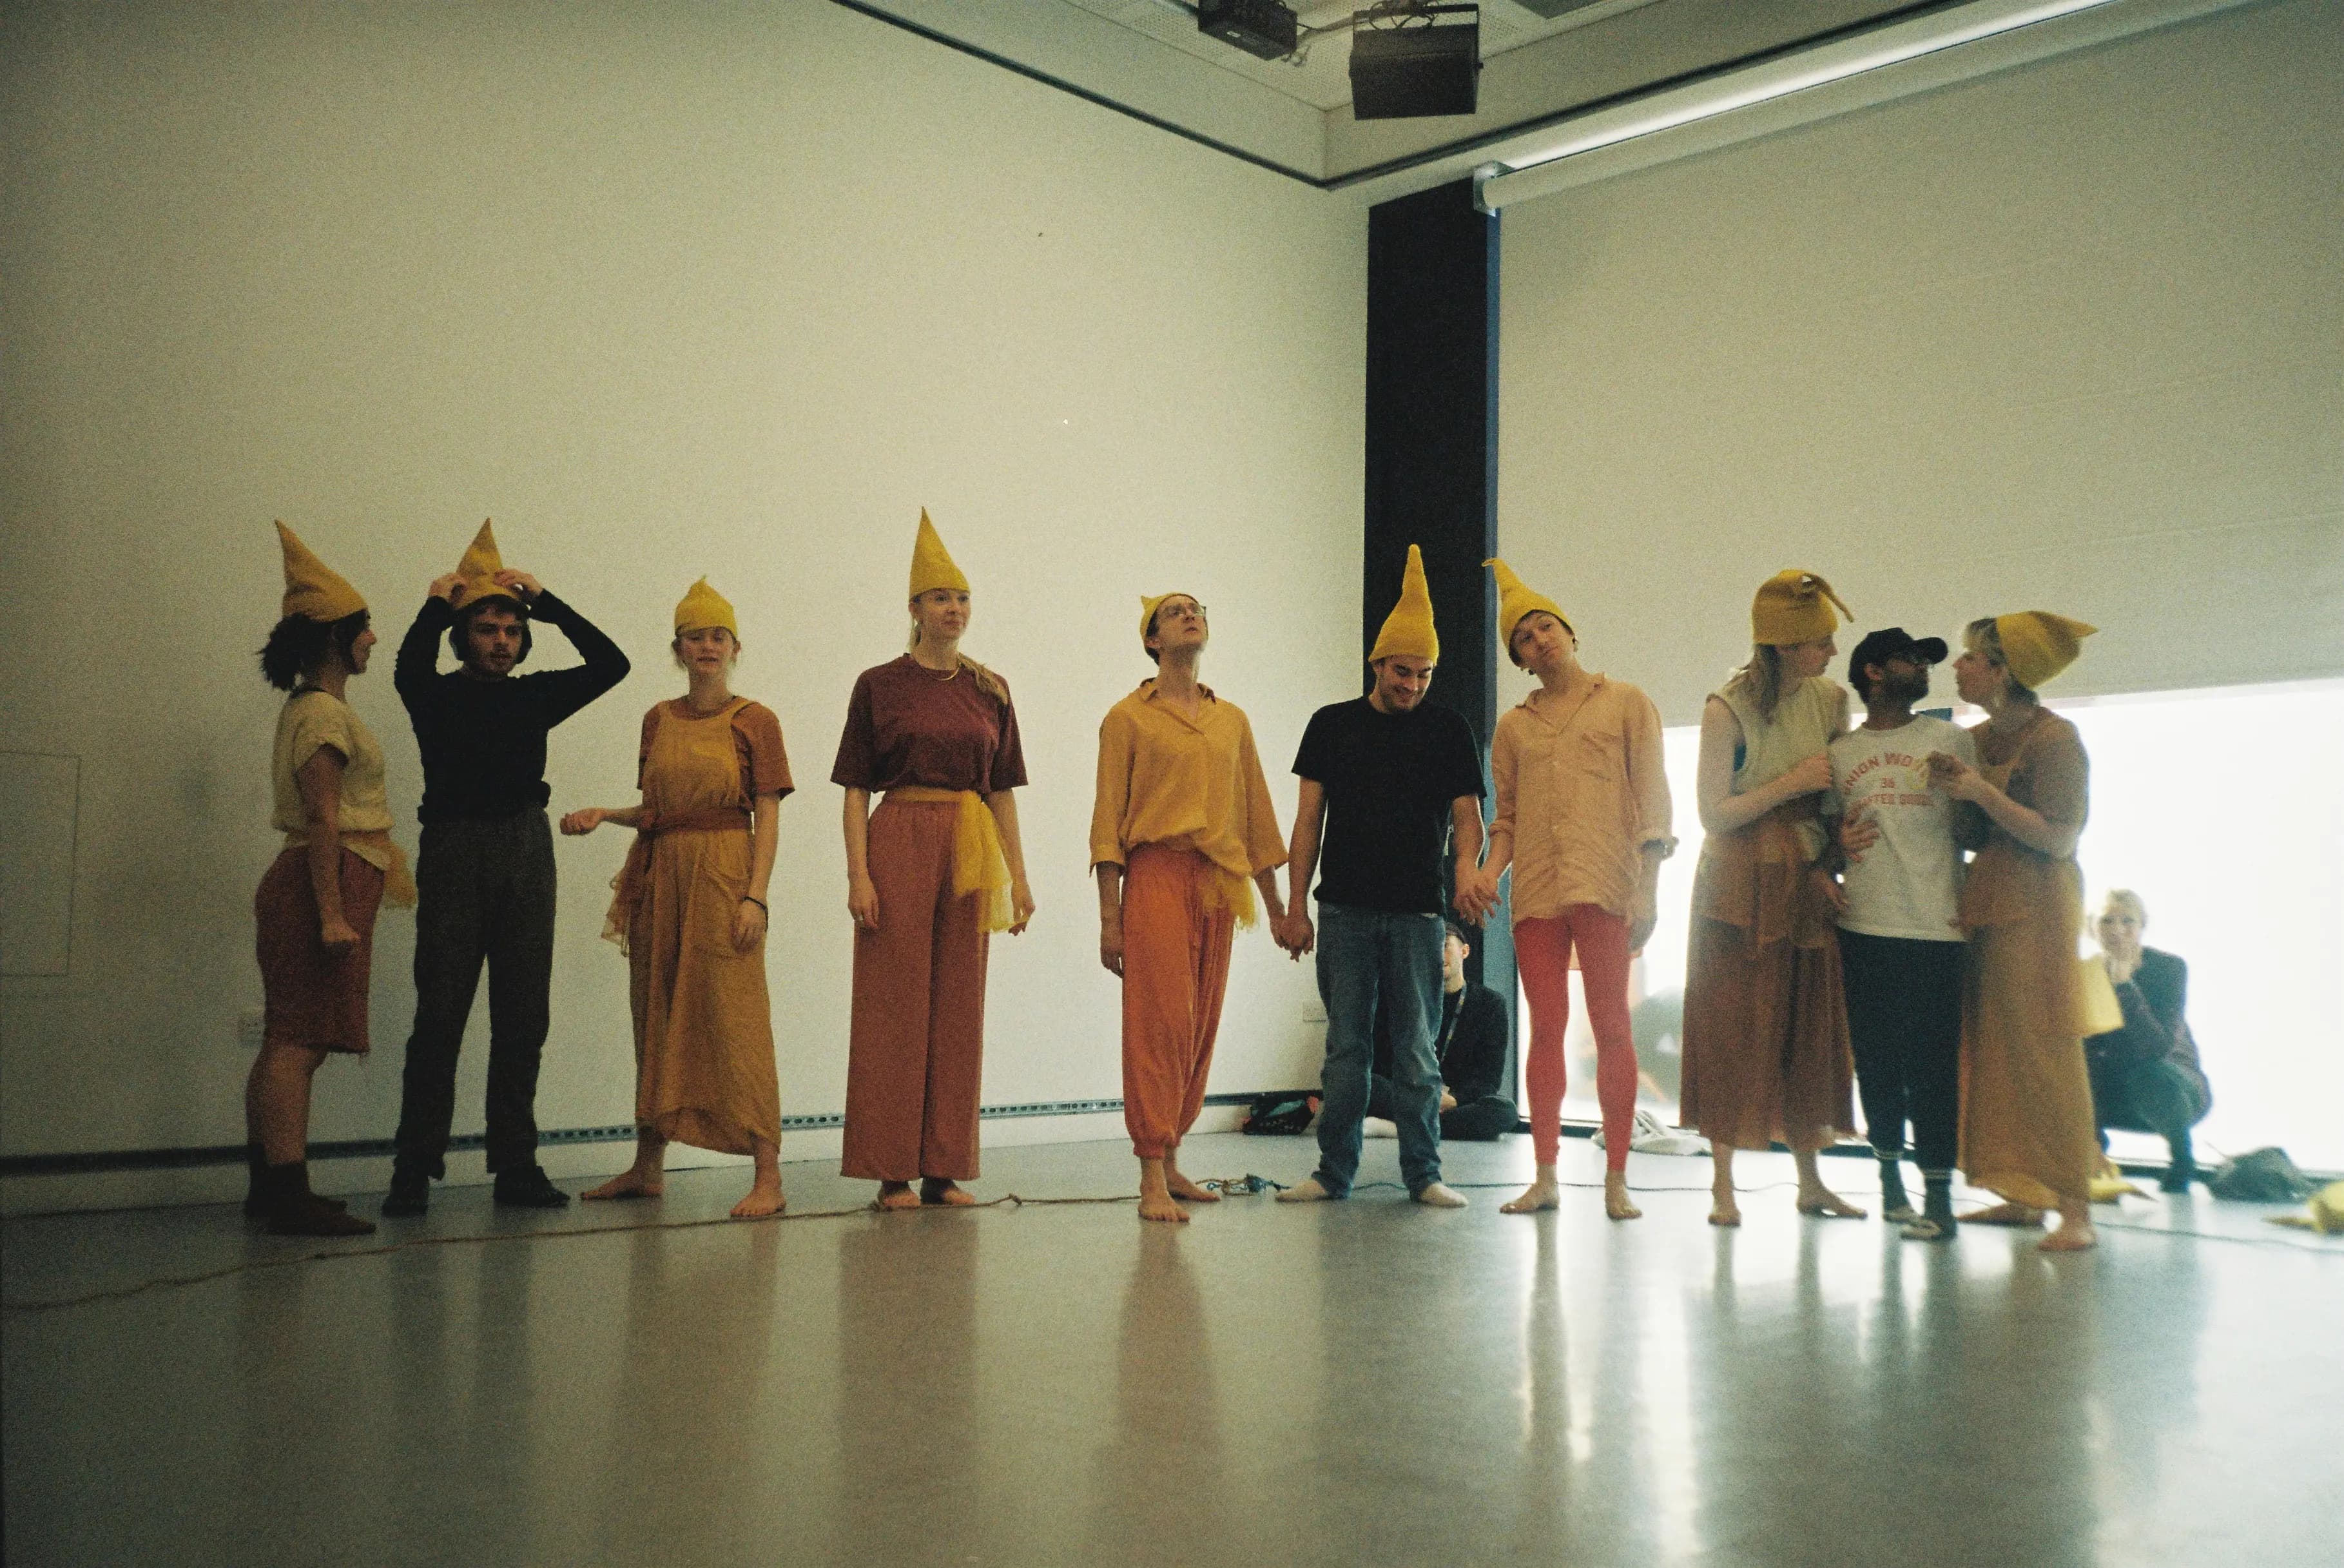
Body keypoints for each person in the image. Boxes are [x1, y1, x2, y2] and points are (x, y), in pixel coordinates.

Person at [382, 521, 630, 1217]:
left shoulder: (534, 696)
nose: (500, 641)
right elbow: (406, 667)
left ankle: (515, 1165)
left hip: (527, 849)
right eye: (487, 629)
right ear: (464, 637)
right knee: (440, 1016)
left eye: (511, 632)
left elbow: (612, 665)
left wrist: (549, 604)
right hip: (456, 850)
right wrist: (436, 606)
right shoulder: (434, 696)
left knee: (523, 1018)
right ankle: (413, 1169)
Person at [562, 577, 789, 1218]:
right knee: (655, 1014)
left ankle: (768, 1173)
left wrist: (756, 898)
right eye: (696, 636)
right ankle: (647, 1165)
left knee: (736, 1019)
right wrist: (606, 814)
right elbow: (659, 811)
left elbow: (766, 816)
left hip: (724, 877)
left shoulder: (756, 721)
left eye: (718, 635)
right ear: (679, 648)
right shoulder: (657, 719)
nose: (708, 645)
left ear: (735, 646)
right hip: (662, 880)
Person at [833, 512, 1035, 1211]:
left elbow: (1002, 790)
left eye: (963, 598)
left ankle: (944, 1168)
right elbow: (856, 790)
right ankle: (891, 1170)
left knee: (959, 1006)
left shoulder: (991, 689)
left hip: (971, 843)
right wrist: (859, 874)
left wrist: (1020, 875)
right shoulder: (879, 684)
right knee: (894, 1006)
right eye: (941, 598)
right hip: (900, 837)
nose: (954, 609)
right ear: (914, 610)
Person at [1462, 561, 1673, 1219]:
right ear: (1518, 659)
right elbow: (1509, 822)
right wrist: (1482, 873)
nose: (1539, 639)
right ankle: (1546, 1174)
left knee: (1612, 1023)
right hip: (1538, 893)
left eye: (1545, 625)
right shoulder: (1513, 728)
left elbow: (1653, 804)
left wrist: (1649, 890)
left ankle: (1616, 1178)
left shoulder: (1626, 701)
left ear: (1569, 631)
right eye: (1524, 638)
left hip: (1607, 881)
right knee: (1546, 1027)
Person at [1275, 546, 1484, 1209]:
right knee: (1346, 1054)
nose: (1413, 685)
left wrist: (1468, 880)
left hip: (1420, 913)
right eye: (1402, 672)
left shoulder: (1449, 729)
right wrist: (1293, 906)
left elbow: (1468, 819)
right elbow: (1307, 822)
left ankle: (1423, 1173)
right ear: (1376, 664)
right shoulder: (1330, 726)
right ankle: (1332, 1172)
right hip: (1343, 912)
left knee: (1418, 1054)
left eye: (1424, 675)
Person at [1090, 591, 1290, 1223]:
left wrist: (1278, 907)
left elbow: (1256, 816)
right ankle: (1150, 1167)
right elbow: (1107, 825)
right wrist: (1109, 918)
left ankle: (1172, 1155)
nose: (1190, 615)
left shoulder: (1230, 719)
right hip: (1156, 876)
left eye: (1197, 608)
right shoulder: (1127, 718)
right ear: (1152, 641)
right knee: (1158, 1024)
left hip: (1220, 883)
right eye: (1174, 612)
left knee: (1200, 1024)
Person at [1679, 570, 1864, 1226]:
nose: (1830, 653)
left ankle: (1809, 1181)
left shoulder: (1831, 700)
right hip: (1735, 884)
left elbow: (1835, 794)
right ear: (1783, 646)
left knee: (1805, 1026)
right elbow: (1713, 814)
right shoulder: (1723, 709)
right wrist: (1790, 783)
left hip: (1802, 876)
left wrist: (1835, 853)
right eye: (1818, 641)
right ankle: (1721, 1185)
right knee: (1731, 1024)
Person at [247, 523, 414, 1236]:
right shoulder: (321, 711)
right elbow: (323, 819)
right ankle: (286, 1193)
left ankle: (274, 1186)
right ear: (334, 638)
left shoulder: (317, 708)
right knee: (298, 1041)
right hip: (323, 881)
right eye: (364, 628)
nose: (373, 638)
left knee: (289, 1036)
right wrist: (331, 914)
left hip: (326, 878)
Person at [1931, 611, 2101, 1252]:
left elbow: (2057, 837)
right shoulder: (1974, 739)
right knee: (1995, 1050)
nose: (1958, 667)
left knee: (2045, 1050)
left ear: (2004, 672)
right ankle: (2021, 1195)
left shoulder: (2056, 740)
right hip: (1990, 899)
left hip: (2037, 906)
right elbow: (1973, 835)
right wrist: (1954, 797)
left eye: (1971, 657)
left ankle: (2075, 1207)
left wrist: (1978, 791)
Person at [1826, 627, 1977, 1242]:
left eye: (1926, 661)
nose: (1922, 669)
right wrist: (1827, 855)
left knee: (1935, 1067)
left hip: (1939, 926)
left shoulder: (1950, 739)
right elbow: (1822, 841)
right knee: (1876, 1062)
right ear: (1871, 672)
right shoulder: (1838, 752)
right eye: (1909, 660)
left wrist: (1960, 790)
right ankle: (1888, 1182)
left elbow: (1972, 835)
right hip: (1864, 924)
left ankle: (1938, 1197)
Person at [2087, 889, 2210, 1193]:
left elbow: (2156, 1048)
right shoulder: (2086, 975)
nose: (2117, 930)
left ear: (2142, 926)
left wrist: (2124, 986)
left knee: (2150, 1072)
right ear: (2091, 928)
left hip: (2175, 1091)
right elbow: (2084, 1050)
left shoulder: (2168, 969)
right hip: (2115, 1091)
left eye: (2127, 921)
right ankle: (2093, 1154)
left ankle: (2183, 1160)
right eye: (2107, 921)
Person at [1364, 921, 1515, 1141]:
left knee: (1505, 1111)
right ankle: (1429, 1126)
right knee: (1366, 1084)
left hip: (1456, 1101)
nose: (1437, 954)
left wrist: (1453, 1099)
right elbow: (1383, 1063)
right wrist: (1421, 1094)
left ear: (1464, 951)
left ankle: (1398, 1129)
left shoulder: (1490, 1004)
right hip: (1412, 1095)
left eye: (1444, 945)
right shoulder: (1406, 998)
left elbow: (1489, 1078)